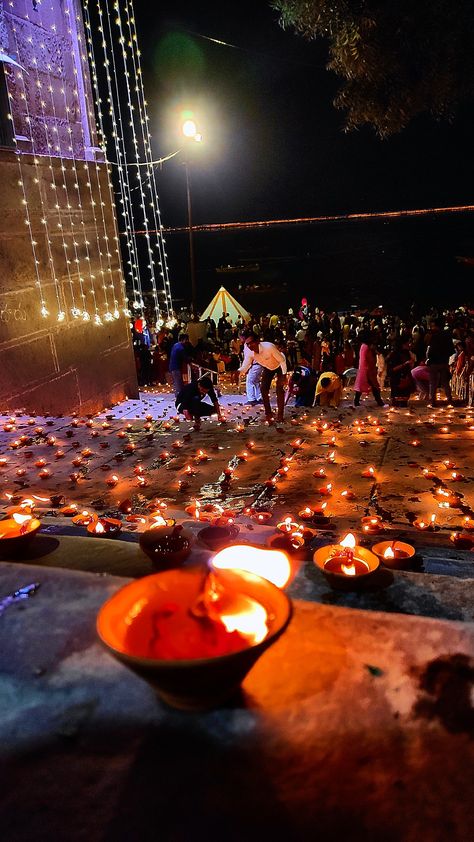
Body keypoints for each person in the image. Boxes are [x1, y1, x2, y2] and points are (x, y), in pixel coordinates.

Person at [240, 333, 287, 423]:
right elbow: (245, 365)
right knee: (263, 389)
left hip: (280, 365)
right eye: (247, 344)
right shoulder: (250, 352)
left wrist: (284, 376)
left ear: (257, 342)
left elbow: (282, 361)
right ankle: (268, 413)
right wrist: (238, 372)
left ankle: (280, 415)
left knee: (279, 389)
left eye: (251, 343)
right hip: (268, 367)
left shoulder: (269, 347)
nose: (249, 346)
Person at [354, 331, 386, 407]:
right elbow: (369, 359)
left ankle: (356, 402)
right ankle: (380, 402)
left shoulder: (363, 346)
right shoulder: (366, 347)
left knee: (361, 387)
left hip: (364, 369)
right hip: (367, 370)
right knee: (374, 386)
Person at [426, 318, 453, 405]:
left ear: (437, 326)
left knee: (433, 383)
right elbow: (451, 349)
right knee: (445, 382)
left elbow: (431, 349)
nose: (432, 328)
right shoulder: (447, 335)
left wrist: (429, 358)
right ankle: (449, 399)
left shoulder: (434, 336)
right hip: (444, 361)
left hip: (434, 362)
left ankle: (433, 401)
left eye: (433, 326)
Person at [386, 337, 414, 406]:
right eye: (407, 343)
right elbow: (391, 370)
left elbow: (409, 366)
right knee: (397, 402)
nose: (409, 345)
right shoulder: (394, 354)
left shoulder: (407, 353)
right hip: (396, 378)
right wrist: (404, 364)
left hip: (405, 378)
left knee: (403, 403)